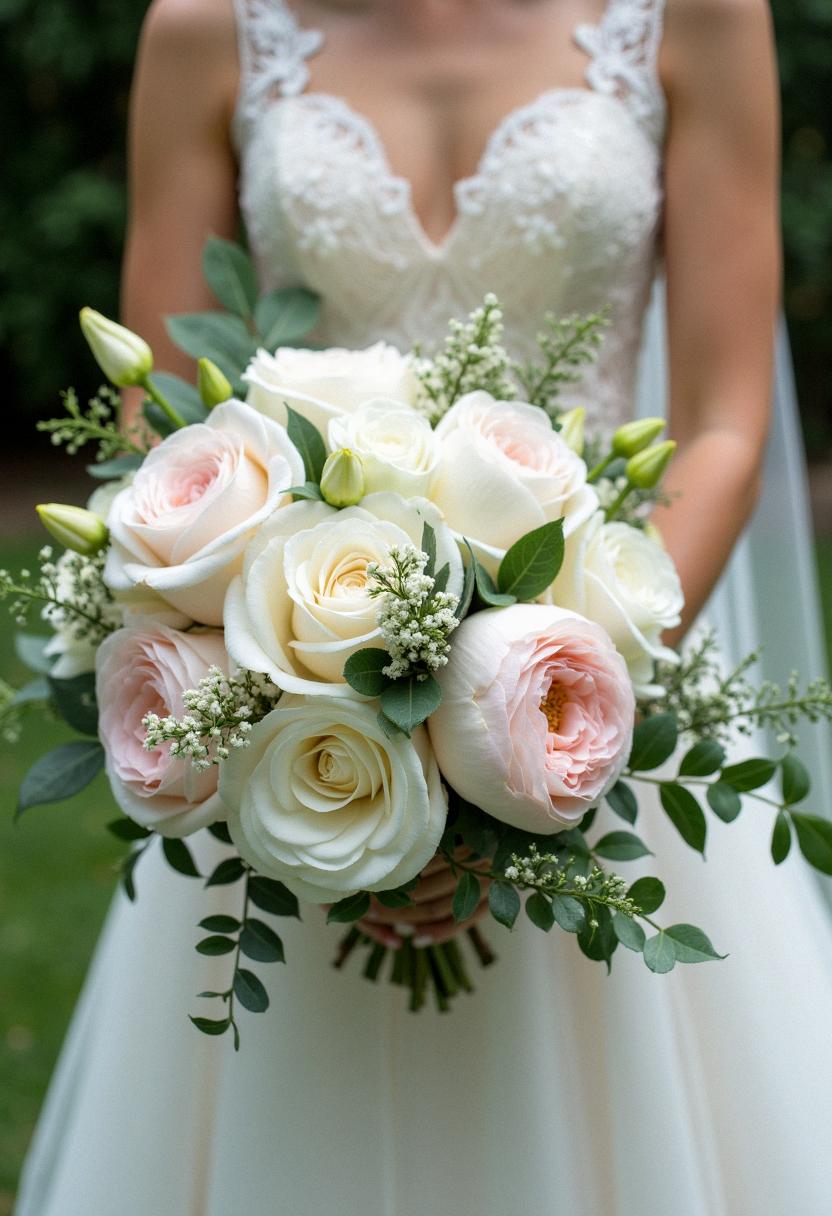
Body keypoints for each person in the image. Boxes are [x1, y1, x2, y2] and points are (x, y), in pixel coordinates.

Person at [16, 1, 832, 1212]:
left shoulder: (697, 16)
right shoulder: (205, 26)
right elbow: (163, 412)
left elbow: (718, 420)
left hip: (592, 687)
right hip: (293, 721)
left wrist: (531, 719)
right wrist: (296, 702)